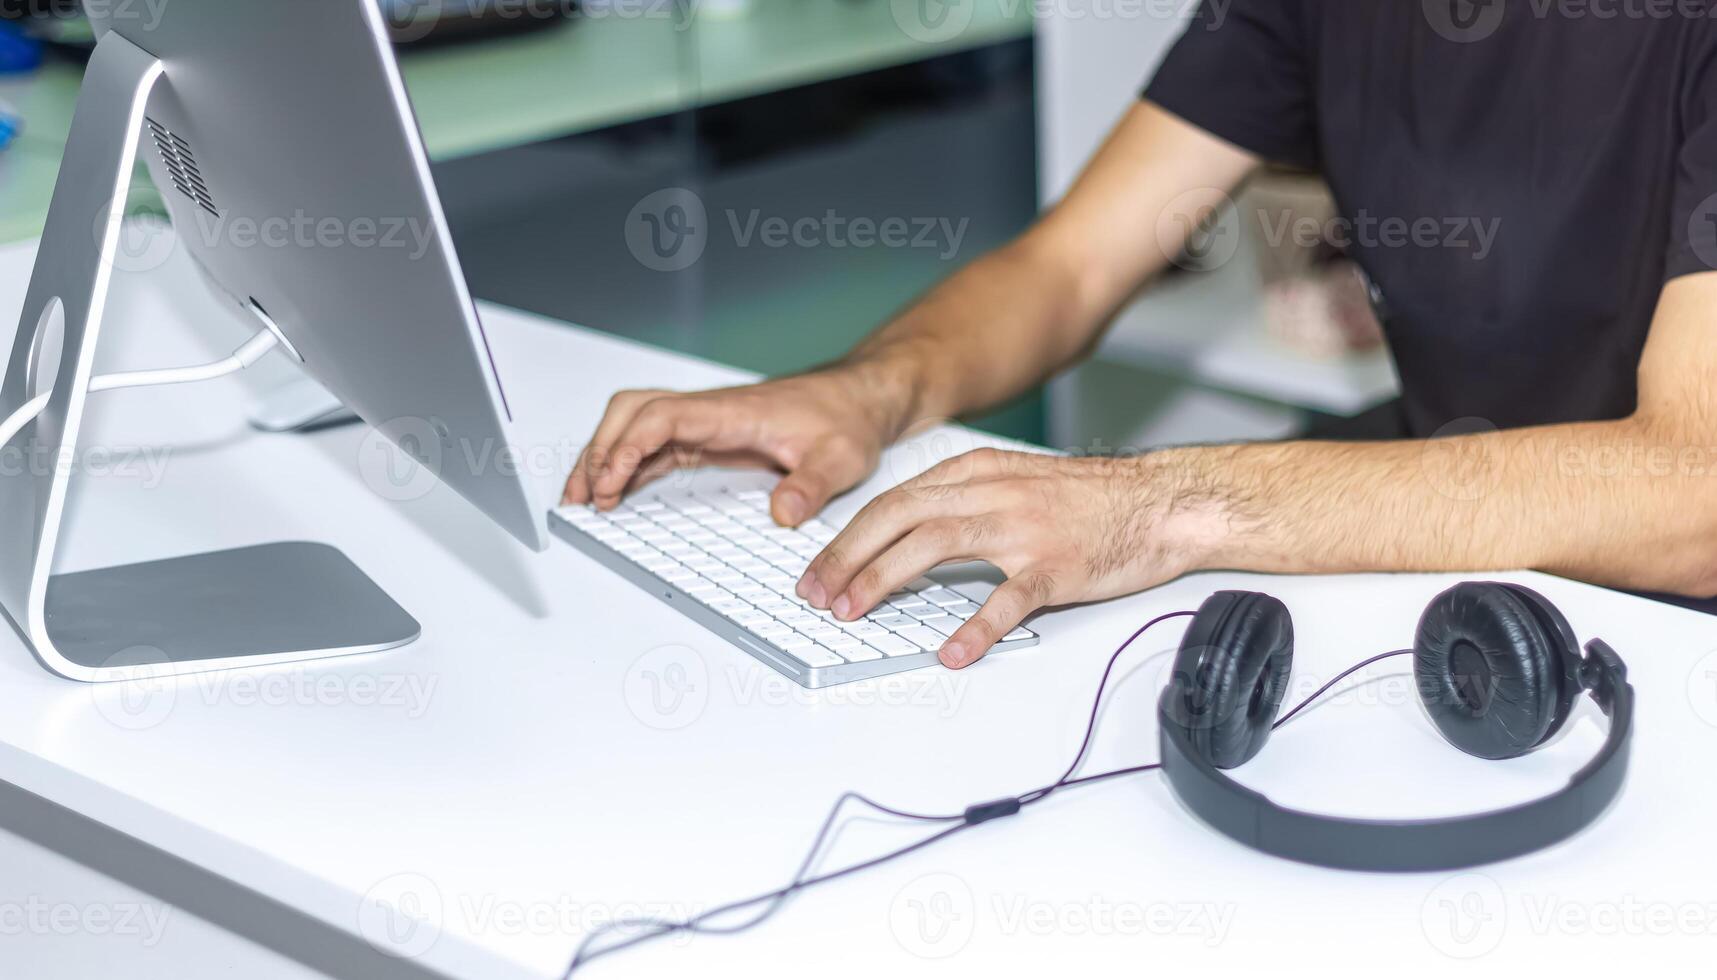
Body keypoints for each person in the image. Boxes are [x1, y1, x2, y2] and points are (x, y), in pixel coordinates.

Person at [564, 2, 1717, 669]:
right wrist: (867, 389)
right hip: (1448, 560)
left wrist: (1159, 504)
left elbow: (1694, 494)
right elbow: (1071, 264)